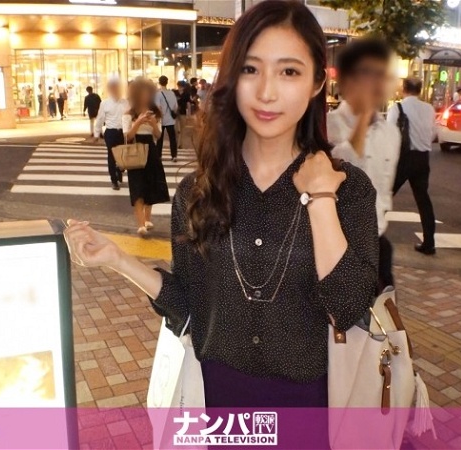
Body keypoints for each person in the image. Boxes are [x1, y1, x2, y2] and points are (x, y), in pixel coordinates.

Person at [64, 0, 378, 428]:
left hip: (312, 407)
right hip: (217, 400)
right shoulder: (199, 191)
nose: (267, 92)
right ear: (232, 78)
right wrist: (118, 259)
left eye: (289, 72)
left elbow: (347, 307)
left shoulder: (348, 188)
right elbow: (189, 306)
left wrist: (321, 197)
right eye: (250, 69)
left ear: (317, 82)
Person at [328, 37, 400, 290]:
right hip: (336, 245)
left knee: (382, 312)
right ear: (347, 80)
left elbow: (384, 190)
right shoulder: (328, 126)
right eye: (367, 73)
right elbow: (343, 170)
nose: (376, 82)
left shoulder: (391, 133)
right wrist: (363, 119)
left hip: (377, 243)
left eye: (382, 74)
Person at [387, 77, 437, 255]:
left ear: (404, 89)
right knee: (423, 200)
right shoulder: (429, 109)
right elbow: (433, 134)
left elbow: (389, 133)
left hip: (403, 157)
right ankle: (429, 242)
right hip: (422, 158)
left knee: (385, 195)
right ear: (420, 90)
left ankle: (367, 237)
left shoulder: (398, 108)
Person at [123, 79, 171, 236]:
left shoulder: (155, 112)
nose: (146, 97)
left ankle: (147, 219)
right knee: (137, 186)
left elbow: (158, 135)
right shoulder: (128, 114)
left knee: (150, 184)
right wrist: (137, 122)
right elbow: (127, 136)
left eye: (148, 94)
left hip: (151, 151)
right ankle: (141, 224)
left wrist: (153, 124)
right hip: (136, 151)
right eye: (143, 94)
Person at [94, 80, 129, 190]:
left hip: (122, 132)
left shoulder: (125, 103)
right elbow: (100, 119)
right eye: (113, 88)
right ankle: (114, 180)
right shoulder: (105, 103)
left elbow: (129, 118)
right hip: (110, 132)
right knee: (111, 155)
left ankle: (119, 171)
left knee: (122, 155)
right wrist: (97, 133)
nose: (115, 90)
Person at [155, 75, 179, 161]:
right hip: (171, 120)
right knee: (172, 138)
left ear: (159, 82)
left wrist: (159, 116)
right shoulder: (172, 93)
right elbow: (176, 107)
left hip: (161, 120)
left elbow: (158, 107)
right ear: (167, 82)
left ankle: (159, 155)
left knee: (160, 139)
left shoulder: (158, 94)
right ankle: (174, 156)